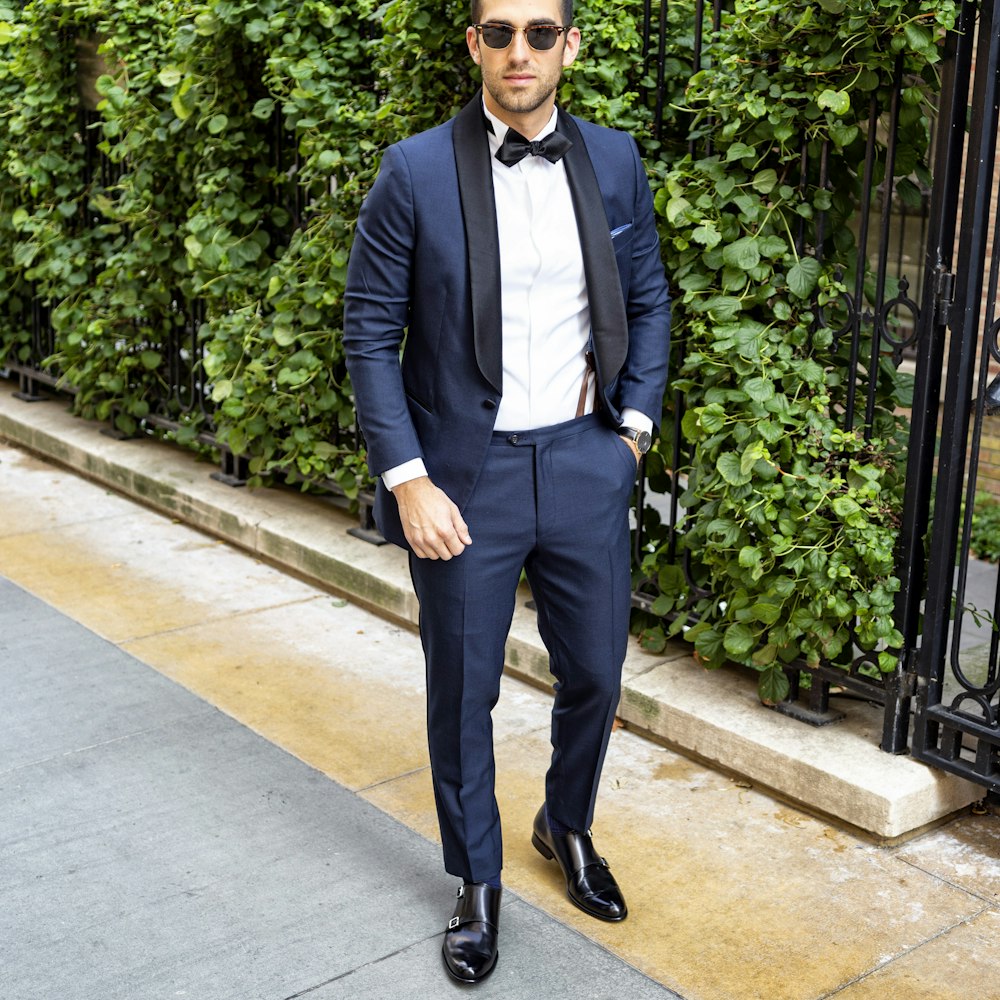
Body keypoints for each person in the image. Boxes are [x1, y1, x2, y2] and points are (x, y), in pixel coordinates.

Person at [343, 0, 670, 984]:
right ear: (474, 45)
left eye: (539, 32)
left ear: (569, 44)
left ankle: (563, 823)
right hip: (461, 482)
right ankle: (476, 883)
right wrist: (408, 483)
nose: (518, 51)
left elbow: (649, 301)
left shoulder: (613, 162)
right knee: (463, 694)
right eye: (499, 32)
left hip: (582, 461)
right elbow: (367, 333)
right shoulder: (411, 172)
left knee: (598, 678)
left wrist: (631, 437)